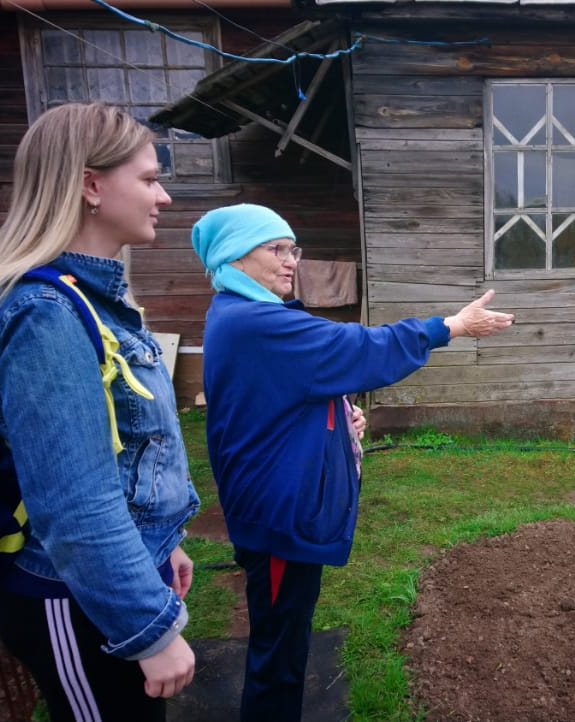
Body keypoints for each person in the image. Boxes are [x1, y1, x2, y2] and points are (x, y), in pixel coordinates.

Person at [191, 203, 514, 722]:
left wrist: (338, 423)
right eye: (276, 249)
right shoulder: (255, 322)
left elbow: (276, 399)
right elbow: (360, 348)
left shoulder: (242, 316)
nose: (291, 260)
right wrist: (450, 326)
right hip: (278, 518)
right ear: (234, 256)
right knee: (278, 655)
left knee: (288, 640)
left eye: (293, 248)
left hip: (277, 504)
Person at [0, 102, 199, 721]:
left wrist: (164, 547)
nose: (162, 197)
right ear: (90, 185)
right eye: (148, 179)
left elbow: (128, 457)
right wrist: (149, 629)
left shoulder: (87, 299)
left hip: (111, 582)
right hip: (71, 601)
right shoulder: (46, 315)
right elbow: (73, 502)